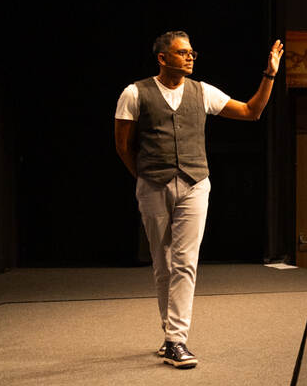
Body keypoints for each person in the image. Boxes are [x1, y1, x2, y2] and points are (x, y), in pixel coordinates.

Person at [113, 32, 283, 368]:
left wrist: (270, 74)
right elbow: (122, 146)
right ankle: (169, 335)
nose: (190, 57)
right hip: (153, 185)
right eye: (182, 52)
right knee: (162, 263)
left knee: (185, 261)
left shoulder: (202, 91)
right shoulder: (134, 93)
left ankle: (177, 340)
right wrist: (145, 176)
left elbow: (251, 112)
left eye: (192, 52)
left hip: (194, 184)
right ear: (162, 58)